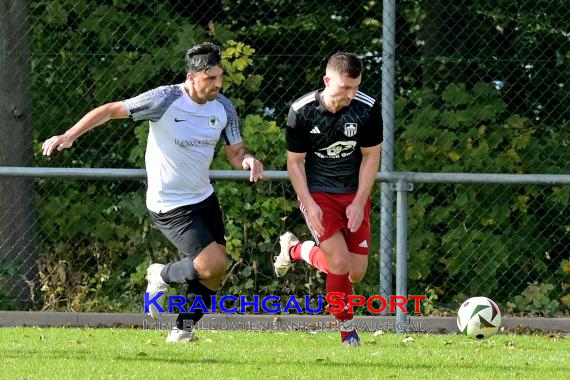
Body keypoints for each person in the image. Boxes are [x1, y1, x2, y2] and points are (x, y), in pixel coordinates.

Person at [42, 42, 264, 343]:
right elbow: (110, 111)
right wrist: (68, 136)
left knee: (213, 273)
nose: (217, 83)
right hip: (169, 204)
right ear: (191, 77)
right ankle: (160, 273)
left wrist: (247, 160)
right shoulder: (165, 99)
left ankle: (182, 330)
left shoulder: (223, 107)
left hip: (203, 197)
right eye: (210, 78)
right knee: (212, 263)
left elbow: (235, 152)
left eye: (220, 76)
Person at [274, 52, 382, 347]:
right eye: (345, 87)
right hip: (319, 194)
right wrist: (307, 202)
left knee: (355, 273)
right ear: (327, 80)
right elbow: (295, 162)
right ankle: (347, 331)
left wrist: (360, 201)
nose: (351, 94)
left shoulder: (367, 110)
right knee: (338, 262)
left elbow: (372, 156)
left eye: (356, 87)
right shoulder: (302, 111)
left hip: (353, 194)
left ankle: (296, 250)